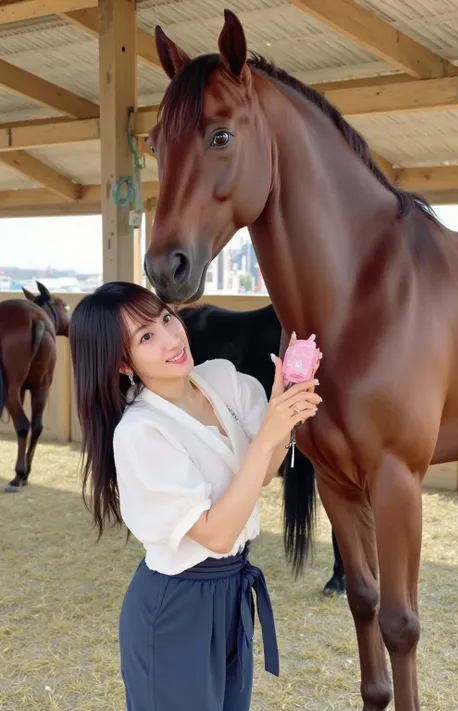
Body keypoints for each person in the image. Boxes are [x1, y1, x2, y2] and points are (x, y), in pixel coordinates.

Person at [69, 281, 321, 711]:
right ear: (121, 363)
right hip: (176, 607)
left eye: (166, 318)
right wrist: (264, 440)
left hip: (233, 591)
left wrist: (286, 410)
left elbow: (263, 475)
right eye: (146, 337)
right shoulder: (140, 432)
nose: (171, 338)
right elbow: (216, 535)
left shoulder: (221, 379)